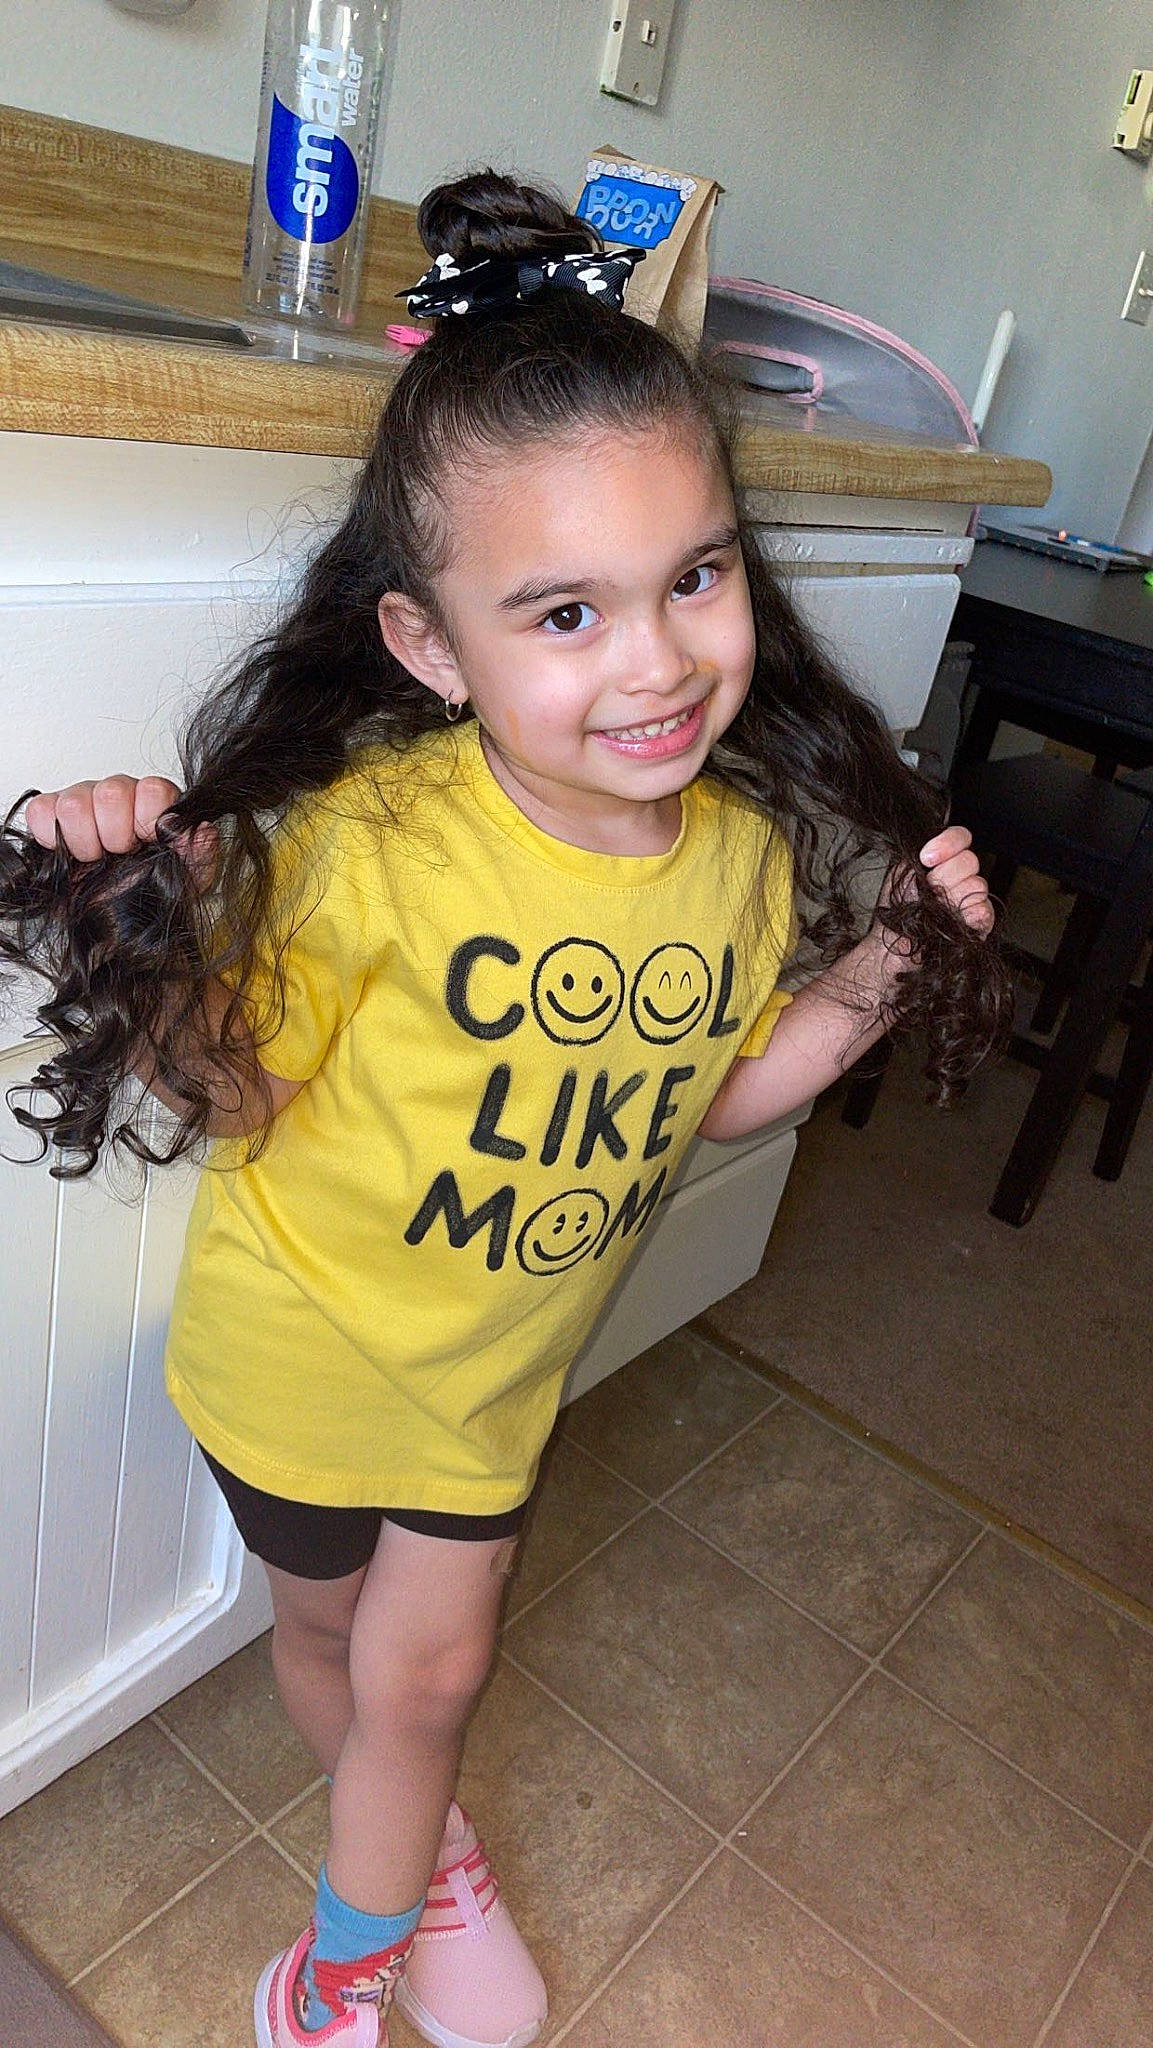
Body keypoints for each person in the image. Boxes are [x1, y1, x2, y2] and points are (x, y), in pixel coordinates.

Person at [0, 169, 1002, 2048]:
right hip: (296, 1366)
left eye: (693, 574)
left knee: (425, 1678)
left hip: (486, 1386)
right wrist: (127, 923)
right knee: (332, 1653)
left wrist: (878, 974)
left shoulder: (730, 860)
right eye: (563, 610)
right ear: (430, 649)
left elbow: (717, 1102)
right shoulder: (369, 848)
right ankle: (423, 1845)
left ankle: (342, 1973)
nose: (655, 660)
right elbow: (247, 1093)